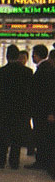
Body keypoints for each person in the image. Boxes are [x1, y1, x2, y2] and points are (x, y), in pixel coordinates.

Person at [0, 45, 32, 170]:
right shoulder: (27, 72)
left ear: (6, 56)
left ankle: (0, 161)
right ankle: (14, 162)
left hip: (3, 110)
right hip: (20, 110)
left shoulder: (0, 72)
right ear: (18, 57)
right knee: (16, 138)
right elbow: (29, 92)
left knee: (2, 137)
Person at [26, 44, 55, 172]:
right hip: (42, 110)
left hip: (42, 111)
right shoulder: (45, 68)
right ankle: (42, 160)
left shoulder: (45, 69)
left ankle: (42, 161)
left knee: (42, 136)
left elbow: (47, 93)